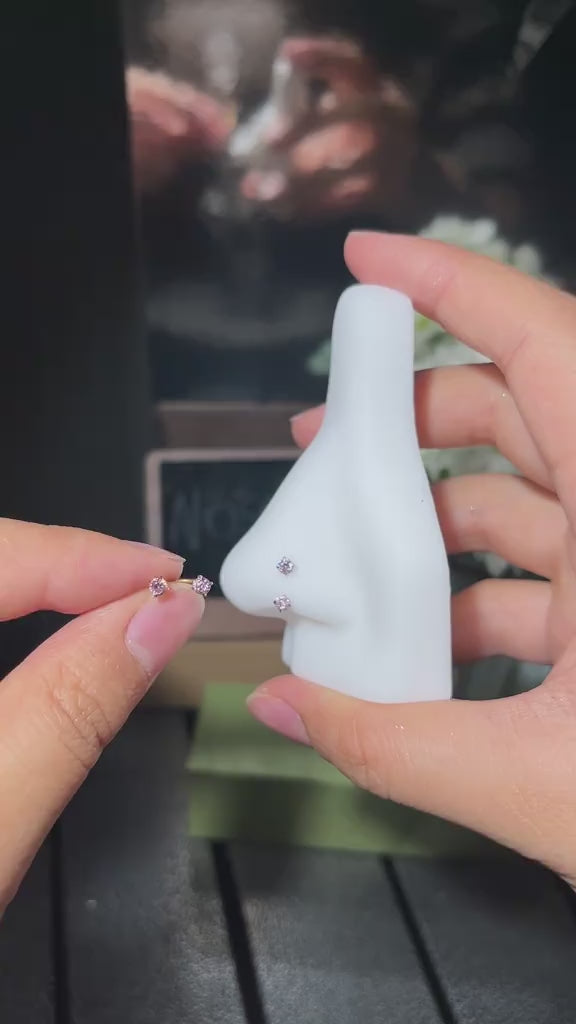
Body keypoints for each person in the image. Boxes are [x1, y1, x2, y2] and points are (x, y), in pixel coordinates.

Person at [1, 229, 576, 912]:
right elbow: (254, 573)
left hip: (374, 653)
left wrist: (290, 585)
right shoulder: (349, 466)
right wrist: (288, 584)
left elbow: (263, 573)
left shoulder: (366, 474)